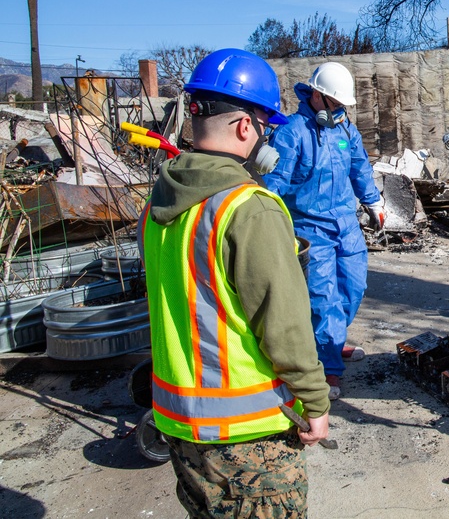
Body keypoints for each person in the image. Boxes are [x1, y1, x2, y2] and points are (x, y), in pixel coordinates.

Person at [138, 48, 331, 516]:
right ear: (246, 127)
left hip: (181, 427)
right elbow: (284, 325)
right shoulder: (250, 208)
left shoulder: (159, 204)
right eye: (265, 127)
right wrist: (315, 401)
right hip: (248, 435)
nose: (265, 139)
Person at [264, 61, 384, 401]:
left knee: (354, 285)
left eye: (343, 105)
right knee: (322, 296)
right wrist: (270, 222)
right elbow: (273, 184)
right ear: (316, 96)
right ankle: (328, 368)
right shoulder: (291, 132)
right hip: (308, 224)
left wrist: (373, 203)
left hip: (345, 223)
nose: (340, 110)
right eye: (335, 104)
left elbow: (359, 167)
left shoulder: (345, 129)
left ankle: (332, 342)